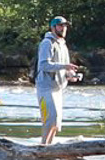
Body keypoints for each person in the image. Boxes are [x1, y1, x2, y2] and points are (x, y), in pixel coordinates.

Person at [35, 15, 83, 145]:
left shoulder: (63, 45)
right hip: (45, 88)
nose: (63, 28)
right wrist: (64, 66)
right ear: (53, 27)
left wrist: (71, 75)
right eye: (60, 25)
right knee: (49, 120)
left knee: (56, 123)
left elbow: (65, 69)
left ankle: (48, 148)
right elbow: (44, 65)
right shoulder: (47, 43)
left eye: (65, 26)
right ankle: (43, 148)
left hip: (58, 89)